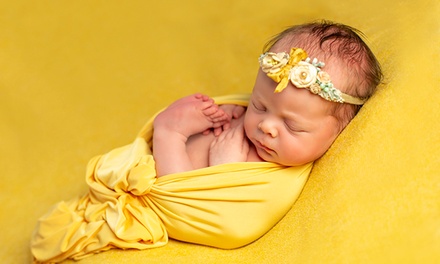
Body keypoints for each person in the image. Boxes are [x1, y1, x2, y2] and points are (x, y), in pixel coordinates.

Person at [153, 20, 383, 177]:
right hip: (135, 164)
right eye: (259, 105)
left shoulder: (277, 178)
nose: (266, 126)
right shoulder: (269, 135)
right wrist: (230, 112)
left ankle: (167, 132)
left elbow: (215, 219)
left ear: (341, 132)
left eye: (292, 125)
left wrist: (224, 169)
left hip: (166, 192)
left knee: (169, 130)